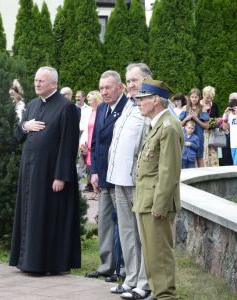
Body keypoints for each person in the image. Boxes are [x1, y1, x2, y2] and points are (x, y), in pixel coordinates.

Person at [9, 66, 81, 274]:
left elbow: (68, 145)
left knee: (45, 216)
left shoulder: (65, 107)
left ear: (53, 84)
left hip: (50, 173)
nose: (37, 83)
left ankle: (45, 263)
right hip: (29, 172)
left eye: (41, 81)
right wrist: (25, 126)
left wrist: (61, 175)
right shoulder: (31, 105)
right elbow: (17, 135)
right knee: (29, 215)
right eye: (35, 80)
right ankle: (27, 261)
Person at [134, 79, 183, 300]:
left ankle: (165, 295)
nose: (139, 102)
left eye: (142, 98)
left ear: (155, 100)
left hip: (156, 202)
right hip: (147, 199)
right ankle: (157, 291)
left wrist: (160, 205)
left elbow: (169, 171)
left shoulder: (169, 126)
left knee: (160, 255)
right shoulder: (158, 124)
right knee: (151, 254)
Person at [106, 63, 152, 299]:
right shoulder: (128, 106)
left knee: (143, 235)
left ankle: (144, 282)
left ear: (146, 80)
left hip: (137, 183)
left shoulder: (150, 108)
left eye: (135, 80)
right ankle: (131, 278)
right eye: (129, 80)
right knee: (126, 233)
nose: (131, 84)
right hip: (119, 181)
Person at [87, 70, 128, 280]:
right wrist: (93, 171)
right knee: (104, 222)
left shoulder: (128, 108)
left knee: (122, 225)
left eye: (108, 87)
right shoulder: (102, 108)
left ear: (120, 87)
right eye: (101, 88)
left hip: (120, 177)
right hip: (102, 176)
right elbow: (94, 144)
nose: (104, 92)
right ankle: (106, 266)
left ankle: (122, 269)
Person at [179, 88, 209, 167]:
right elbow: (180, 124)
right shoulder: (185, 108)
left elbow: (207, 126)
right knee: (185, 158)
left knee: (199, 158)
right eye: (192, 97)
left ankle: (202, 177)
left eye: (196, 97)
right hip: (187, 137)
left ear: (199, 98)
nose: (194, 99)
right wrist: (186, 118)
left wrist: (196, 119)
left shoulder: (203, 108)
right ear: (189, 97)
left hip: (198, 137)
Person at [79, 91, 102, 193]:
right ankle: (92, 188)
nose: (88, 101)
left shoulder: (101, 111)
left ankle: (97, 189)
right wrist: (82, 142)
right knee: (88, 166)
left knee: (96, 165)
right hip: (88, 142)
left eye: (90, 99)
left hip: (96, 141)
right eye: (88, 99)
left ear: (96, 100)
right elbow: (86, 128)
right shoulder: (90, 112)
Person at [201, 85, 219, 167]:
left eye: (211, 97)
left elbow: (217, 119)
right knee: (203, 156)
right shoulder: (199, 105)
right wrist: (211, 121)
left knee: (213, 157)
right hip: (201, 133)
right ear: (203, 95)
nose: (209, 99)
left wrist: (213, 122)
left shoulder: (214, 105)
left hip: (212, 134)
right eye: (208, 97)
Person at [222, 96, 237, 165]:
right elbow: (224, 127)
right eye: (232, 109)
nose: (233, 111)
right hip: (233, 143)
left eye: (234, 109)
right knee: (235, 163)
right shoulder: (230, 115)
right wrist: (225, 114)